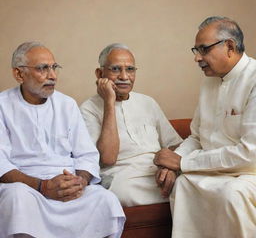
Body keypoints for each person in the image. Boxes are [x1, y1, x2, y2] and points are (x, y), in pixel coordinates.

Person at [0, 41, 125, 238]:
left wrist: (81, 181)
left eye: (54, 67)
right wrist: (43, 186)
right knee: (15, 198)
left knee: (105, 199)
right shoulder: (2, 105)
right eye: (43, 68)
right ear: (19, 74)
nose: (53, 76)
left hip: (68, 187)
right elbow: (1, 164)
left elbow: (87, 155)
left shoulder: (67, 104)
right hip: (27, 187)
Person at [154, 16, 256, 238]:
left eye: (203, 49)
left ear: (229, 46)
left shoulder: (254, 79)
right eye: (195, 50)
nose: (197, 58)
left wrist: (183, 161)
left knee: (232, 194)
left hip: (249, 174)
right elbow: (197, 137)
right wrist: (173, 164)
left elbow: (250, 154)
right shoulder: (209, 82)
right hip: (214, 170)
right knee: (183, 185)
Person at [80, 43, 183, 207]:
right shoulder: (88, 109)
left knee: (192, 184)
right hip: (123, 177)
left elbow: (174, 144)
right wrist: (109, 102)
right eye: (115, 69)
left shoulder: (148, 102)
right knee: (122, 193)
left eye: (130, 69)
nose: (124, 76)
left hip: (157, 172)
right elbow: (107, 158)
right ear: (100, 74)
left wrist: (169, 168)